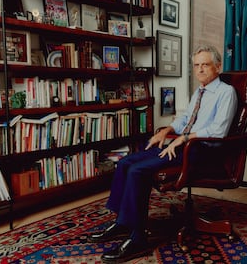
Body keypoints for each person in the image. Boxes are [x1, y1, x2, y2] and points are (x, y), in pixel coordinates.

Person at [89, 44, 238, 263]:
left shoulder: (226, 92)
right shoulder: (199, 91)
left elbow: (219, 130)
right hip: (184, 146)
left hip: (203, 152)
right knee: (125, 162)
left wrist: (184, 138)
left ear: (218, 66)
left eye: (205, 65)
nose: (200, 70)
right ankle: (123, 222)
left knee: (138, 171)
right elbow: (185, 119)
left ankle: (138, 237)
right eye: (196, 65)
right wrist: (168, 130)